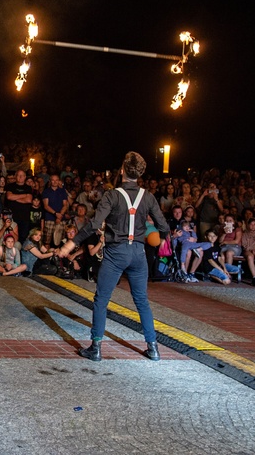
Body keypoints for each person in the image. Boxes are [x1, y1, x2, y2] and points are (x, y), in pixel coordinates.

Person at [57, 151, 169, 362]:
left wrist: (73, 242)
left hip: (116, 252)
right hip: (138, 253)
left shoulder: (112, 195)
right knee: (142, 301)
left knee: (101, 300)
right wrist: (162, 239)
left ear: (122, 170)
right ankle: (153, 348)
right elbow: (163, 226)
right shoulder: (149, 196)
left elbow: (93, 223)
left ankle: (96, 347)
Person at [240, 218, 255, 286]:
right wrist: (251, 249)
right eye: (251, 224)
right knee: (250, 256)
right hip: (248, 250)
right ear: (248, 225)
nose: (252, 226)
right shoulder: (244, 234)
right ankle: (254, 276)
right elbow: (244, 245)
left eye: (254, 224)